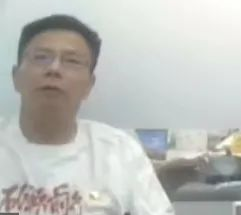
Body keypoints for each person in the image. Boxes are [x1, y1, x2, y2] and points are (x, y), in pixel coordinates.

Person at [0, 14, 174, 215]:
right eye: (41, 57)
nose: (54, 69)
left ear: (89, 86)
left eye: (72, 61)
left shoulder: (119, 152)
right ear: (16, 77)